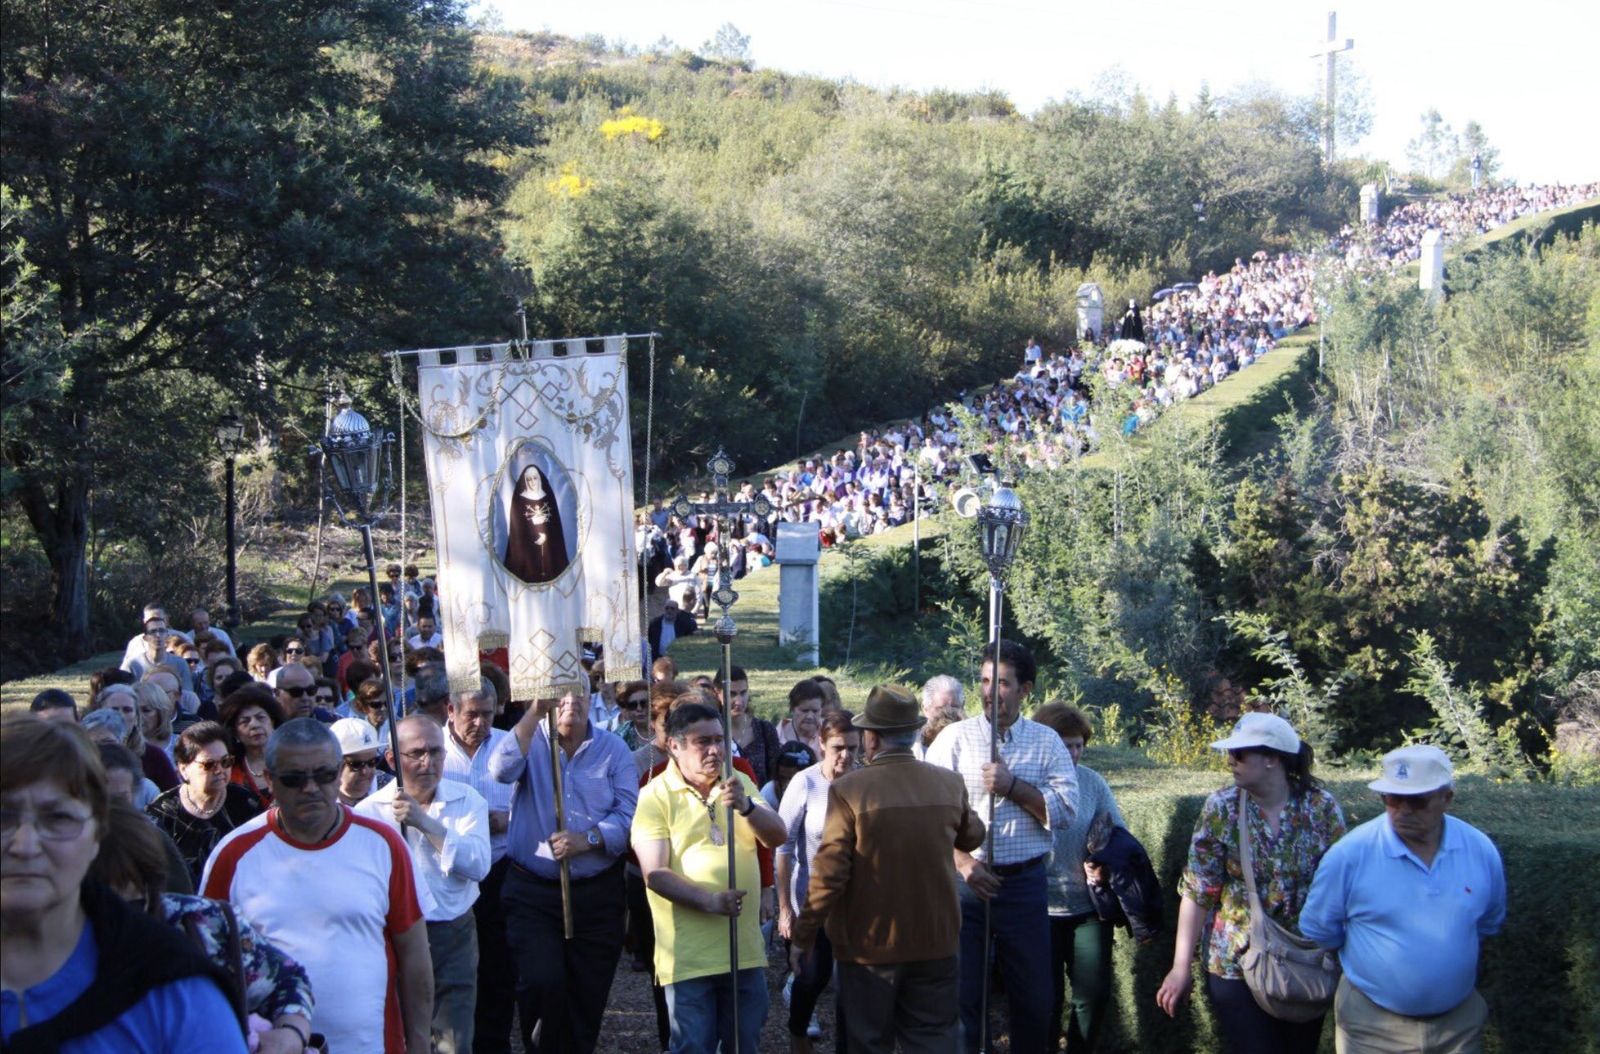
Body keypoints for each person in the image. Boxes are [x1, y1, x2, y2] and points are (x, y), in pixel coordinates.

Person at [0, 715, 247, 1052]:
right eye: (3, 816)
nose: (25, 845)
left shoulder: (172, 990)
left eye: (58, 818)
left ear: (98, 833)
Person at [202, 718, 433, 1054]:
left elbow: (414, 954)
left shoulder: (383, 844)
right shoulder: (233, 855)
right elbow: (206, 966)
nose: (310, 788)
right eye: (294, 779)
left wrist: (421, 1044)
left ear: (339, 771)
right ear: (269, 780)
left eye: (323, 775)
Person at [789, 685, 987, 1054]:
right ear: (913, 732)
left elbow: (829, 874)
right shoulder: (947, 782)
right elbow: (974, 834)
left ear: (872, 738)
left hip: (869, 947)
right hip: (936, 939)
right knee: (934, 1041)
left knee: (868, 1042)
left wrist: (804, 935)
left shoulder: (850, 790)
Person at [1156, 712, 1346, 1054]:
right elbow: (1199, 891)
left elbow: (1342, 887)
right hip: (1235, 963)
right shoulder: (1222, 808)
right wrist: (1180, 967)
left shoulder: (1320, 808)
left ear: (1273, 758)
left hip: (1303, 962)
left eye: (1240, 754)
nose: (1230, 761)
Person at [1300, 745, 1506, 1053]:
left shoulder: (1479, 849)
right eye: (1393, 798)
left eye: (1418, 800)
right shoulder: (1349, 855)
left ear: (1446, 798)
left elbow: (1487, 922)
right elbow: (1320, 930)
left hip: (1458, 1028)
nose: (1404, 810)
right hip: (1371, 1028)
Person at [924, 641, 1077, 1054]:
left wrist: (1014, 788)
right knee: (964, 996)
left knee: (1033, 998)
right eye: (986, 680)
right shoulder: (954, 740)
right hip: (965, 887)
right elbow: (927, 816)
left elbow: (1065, 810)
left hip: (1024, 886)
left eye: (1004, 683)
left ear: (1025, 689)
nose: (991, 691)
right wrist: (962, 862)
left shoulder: (1047, 743)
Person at [89, 798, 314, 1054]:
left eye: (139, 901)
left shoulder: (200, 922)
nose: (123, 916)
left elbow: (287, 980)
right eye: (102, 902)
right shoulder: (55, 951)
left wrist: (290, 1034)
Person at [631, 700, 788, 1054]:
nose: (715, 749)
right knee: (692, 1047)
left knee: (743, 1044)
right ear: (674, 745)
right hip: (689, 956)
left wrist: (746, 807)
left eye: (719, 739)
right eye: (703, 741)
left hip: (743, 949)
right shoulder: (654, 796)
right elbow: (654, 874)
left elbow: (777, 836)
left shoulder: (739, 780)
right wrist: (710, 901)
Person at [489, 686, 638, 1054]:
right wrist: (535, 713)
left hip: (596, 893)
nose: (570, 702)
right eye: (561, 694)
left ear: (591, 699)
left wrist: (588, 839)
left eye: (579, 694)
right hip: (533, 891)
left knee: (588, 991)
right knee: (542, 981)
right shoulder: (529, 740)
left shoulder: (613, 749)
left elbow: (628, 814)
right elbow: (501, 770)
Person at [357, 715, 491, 1054]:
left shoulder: (467, 800)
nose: (427, 762)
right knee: (402, 1031)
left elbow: (478, 865)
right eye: (415, 753)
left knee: (453, 1038)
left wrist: (426, 824)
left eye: (435, 751)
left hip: (452, 929)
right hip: (393, 933)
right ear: (392, 759)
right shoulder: (369, 812)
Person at [1034, 702, 1125, 1053]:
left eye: (1078, 745)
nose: (1073, 753)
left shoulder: (1092, 782)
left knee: (1092, 993)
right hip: (1039, 909)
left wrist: (1103, 862)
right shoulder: (1028, 781)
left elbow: (1119, 834)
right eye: (1065, 744)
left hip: (1087, 908)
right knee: (1046, 996)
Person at [776, 710, 861, 1053]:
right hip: (811, 899)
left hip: (856, 904)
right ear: (822, 744)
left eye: (854, 748)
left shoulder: (865, 781)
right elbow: (783, 846)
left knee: (852, 985)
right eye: (839, 747)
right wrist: (784, 907)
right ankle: (798, 1034)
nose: (846, 756)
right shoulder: (806, 782)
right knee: (810, 977)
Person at [440, 682, 516, 1054]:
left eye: (488, 713)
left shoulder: (510, 746)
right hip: (446, 874)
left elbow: (537, 806)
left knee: (498, 969)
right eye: (472, 714)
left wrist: (508, 819)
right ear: (450, 710)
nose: (480, 722)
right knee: (452, 974)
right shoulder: (430, 750)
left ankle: (494, 1043)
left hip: (499, 870)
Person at [146, 721, 265, 889]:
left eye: (225, 762)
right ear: (183, 769)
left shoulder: (247, 804)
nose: (219, 770)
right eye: (209, 765)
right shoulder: (161, 812)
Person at [503, 463, 571, 584]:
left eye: (535, 478)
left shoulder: (547, 496)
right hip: (528, 552)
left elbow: (555, 526)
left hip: (549, 552)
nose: (532, 482)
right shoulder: (520, 498)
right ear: (525, 481)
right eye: (528, 479)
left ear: (539, 478)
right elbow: (517, 529)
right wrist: (535, 536)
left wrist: (546, 535)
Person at [219, 686, 284, 808]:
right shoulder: (229, 770)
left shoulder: (293, 759)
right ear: (235, 733)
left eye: (261, 718)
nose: (254, 725)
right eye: (245, 721)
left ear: (273, 722)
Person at [718, 664, 782, 787]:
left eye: (743, 693)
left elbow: (776, 775)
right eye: (731, 694)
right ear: (718, 693)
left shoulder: (765, 730)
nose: (739, 701)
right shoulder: (713, 732)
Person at [331, 717, 390, 808]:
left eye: (372, 762)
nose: (365, 771)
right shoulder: (320, 800)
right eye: (356, 765)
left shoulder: (391, 791)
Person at [914, 675, 964, 761]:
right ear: (925, 709)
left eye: (954, 707)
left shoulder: (972, 742)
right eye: (940, 709)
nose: (948, 713)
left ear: (962, 706)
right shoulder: (912, 746)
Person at [776, 679, 825, 759]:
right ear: (792, 708)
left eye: (815, 711)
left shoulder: (831, 733)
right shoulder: (777, 736)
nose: (810, 716)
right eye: (804, 711)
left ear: (821, 709)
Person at [648, 590, 698, 662]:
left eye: (672, 608)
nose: (669, 610)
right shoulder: (655, 623)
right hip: (658, 659)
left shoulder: (684, 625)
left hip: (677, 659)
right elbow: (650, 641)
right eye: (667, 608)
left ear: (677, 611)